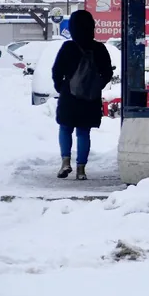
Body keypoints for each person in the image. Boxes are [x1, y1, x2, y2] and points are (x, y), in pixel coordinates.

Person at [51, 10, 114, 180]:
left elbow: (57, 71)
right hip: (90, 98)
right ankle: (81, 169)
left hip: (69, 96)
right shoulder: (99, 48)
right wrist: (96, 86)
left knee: (65, 128)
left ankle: (65, 162)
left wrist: (61, 87)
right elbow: (107, 73)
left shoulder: (68, 48)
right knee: (83, 132)